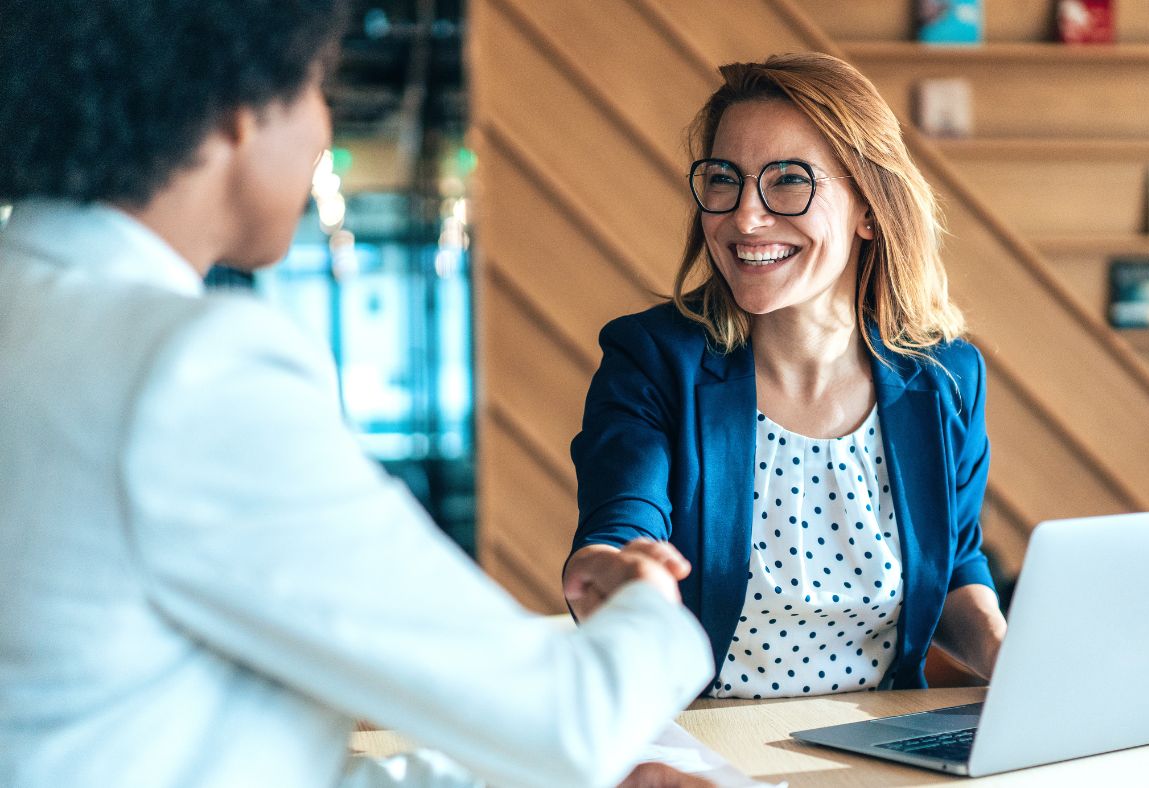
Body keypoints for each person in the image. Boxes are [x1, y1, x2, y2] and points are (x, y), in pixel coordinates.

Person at [0, 2, 712, 786]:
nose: (323, 131)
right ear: (237, 110)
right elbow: (570, 723)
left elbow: (166, 735)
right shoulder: (188, 369)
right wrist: (649, 604)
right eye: (314, 87)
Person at [563, 53, 1008, 699]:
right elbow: (620, 524)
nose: (745, 217)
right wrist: (612, 573)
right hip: (702, 744)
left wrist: (1005, 652)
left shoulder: (946, 377)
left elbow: (956, 562)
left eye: (790, 181)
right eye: (724, 179)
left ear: (869, 208)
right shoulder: (653, 358)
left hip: (880, 744)